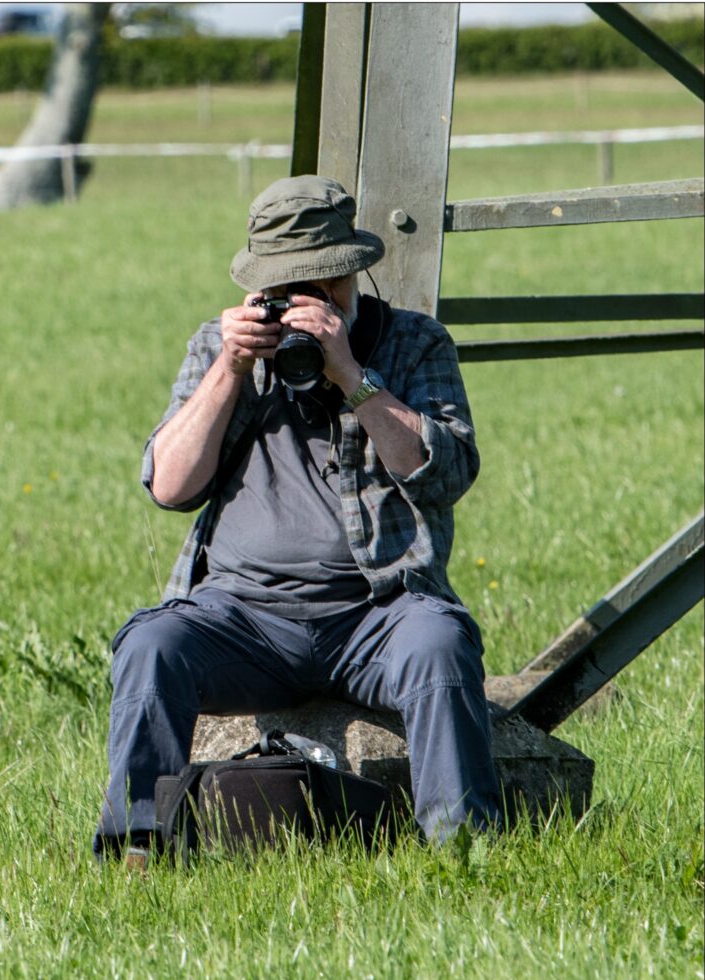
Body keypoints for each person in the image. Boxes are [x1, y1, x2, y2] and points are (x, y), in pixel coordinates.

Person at [94, 175, 501, 860]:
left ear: (353, 271)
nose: (308, 303)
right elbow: (168, 485)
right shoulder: (222, 347)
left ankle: (464, 852)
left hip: (378, 611)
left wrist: (352, 375)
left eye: (324, 284)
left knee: (441, 644)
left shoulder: (415, 344)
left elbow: (447, 474)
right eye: (287, 289)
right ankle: (139, 847)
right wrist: (230, 367)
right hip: (242, 618)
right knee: (151, 644)